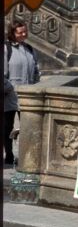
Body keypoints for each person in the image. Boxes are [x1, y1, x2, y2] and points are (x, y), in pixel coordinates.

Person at [4, 21, 40, 167]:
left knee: (28, 128)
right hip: (9, 97)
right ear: (12, 33)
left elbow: (36, 70)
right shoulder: (6, 49)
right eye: (20, 32)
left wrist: (36, 85)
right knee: (7, 128)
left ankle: (25, 157)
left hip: (27, 97)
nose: (23, 34)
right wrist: (9, 89)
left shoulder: (29, 49)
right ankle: (9, 156)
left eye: (25, 31)